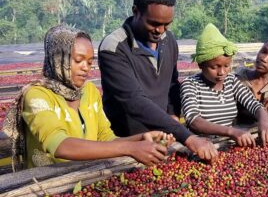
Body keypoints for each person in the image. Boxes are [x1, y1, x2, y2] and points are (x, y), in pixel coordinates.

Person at [3, 25, 175, 171]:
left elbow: (106, 138)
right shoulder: (37, 95)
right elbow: (59, 145)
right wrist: (131, 148)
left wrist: (142, 138)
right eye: (78, 60)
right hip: (46, 183)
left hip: (87, 176)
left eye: (90, 62)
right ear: (58, 58)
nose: (85, 68)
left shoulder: (90, 92)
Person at [98, 0, 218, 161]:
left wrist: (172, 116)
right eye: (153, 23)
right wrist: (187, 136)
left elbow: (171, 83)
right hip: (127, 144)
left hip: (162, 140)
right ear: (136, 11)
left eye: (166, 25)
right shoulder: (114, 48)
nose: (160, 31)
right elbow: (133, 100)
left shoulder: (168, 40)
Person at [180, 24, 268, 147]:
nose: (222, 72)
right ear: (201, 65)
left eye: (226, 66)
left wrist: (264, 124)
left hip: (227, 143)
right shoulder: (191, 85)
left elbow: (255, 105)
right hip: (201, 146)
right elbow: (193, 121)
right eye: (214, 67)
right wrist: (230, 131)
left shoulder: (231, 81)